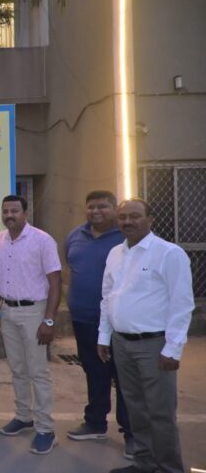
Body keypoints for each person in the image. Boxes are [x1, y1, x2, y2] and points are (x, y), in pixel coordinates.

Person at [99, 199, 194, 473]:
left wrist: (173, 349)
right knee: (136, 408)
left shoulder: (169, 253)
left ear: (150, 219)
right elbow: (107, 297)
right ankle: (145, 462)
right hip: (121, 343)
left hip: (154, 345)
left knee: (160, 412)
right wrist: (104, 336)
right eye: (123, 217)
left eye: (135, 216)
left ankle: (168, 467)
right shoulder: (115, 253)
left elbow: (182, 303)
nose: (128, 222)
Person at [0, 195, 62, 455]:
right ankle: (23, 416)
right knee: (18, 369)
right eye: (5, 211)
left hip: (34, 312)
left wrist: (49, 320)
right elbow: (1, 278)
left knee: (38, 372)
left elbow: (55, 282)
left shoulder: (42, 240)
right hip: (8, 311)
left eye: (15, 210)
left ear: (25, 212)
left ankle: (46, 429)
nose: (9, 215)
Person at [64, 191, 133, 457]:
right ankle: (95, 422)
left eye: (102, 207)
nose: (95, 211)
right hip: (84, 320)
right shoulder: (75, 236)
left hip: (118, 323)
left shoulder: (126, 238)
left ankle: (131, 432)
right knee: (94, 372)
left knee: (124, 377)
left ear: (114, 208)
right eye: (91, 207)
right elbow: (70, 264)